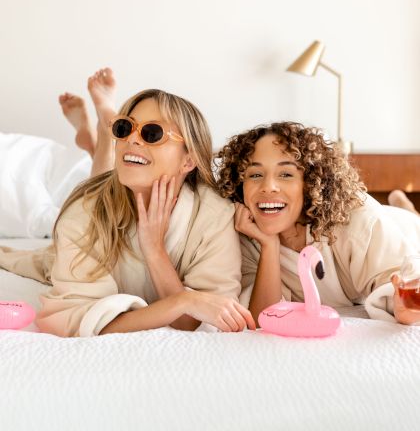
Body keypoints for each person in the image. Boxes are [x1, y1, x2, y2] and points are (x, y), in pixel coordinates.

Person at [0, 69, 255, 336]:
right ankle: (100, 133)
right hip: (88, 214)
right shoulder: (83, 214)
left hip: (107, 195)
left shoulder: (213, 216)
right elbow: (76, 318)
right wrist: (184, 300)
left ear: (188, 161)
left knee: (100, 182)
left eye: (152, 133)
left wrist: (154, 249)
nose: (131, 139)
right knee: (46, 255)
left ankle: (98, 132)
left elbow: (205, 317)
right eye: (123, 129)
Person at [215, 122, 420, 325]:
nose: (268, 187)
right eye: (255, 175)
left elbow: (395, 282)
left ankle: (403, 205)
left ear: (310, 183)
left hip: (405, 228)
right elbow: (262, 319)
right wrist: (269, 245)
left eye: (286, 174)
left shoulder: (357, 218)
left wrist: (403, 306)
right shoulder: (244, 234)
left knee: (411, 220)